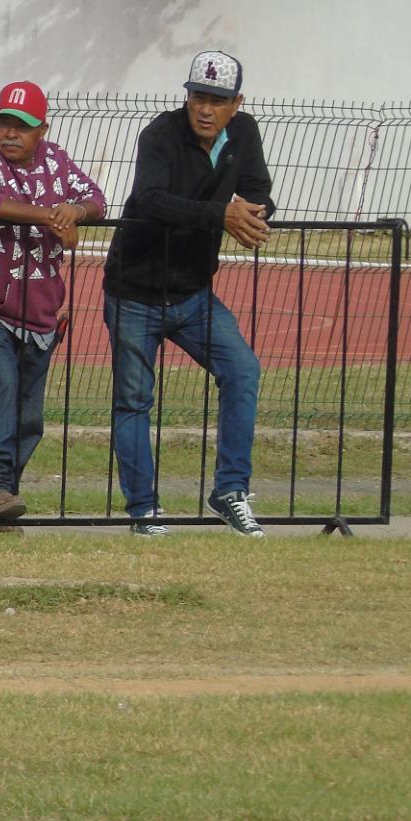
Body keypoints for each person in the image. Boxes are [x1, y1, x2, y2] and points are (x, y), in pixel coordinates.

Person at [103, 50, 273, 538]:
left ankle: (231, 490)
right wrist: (221, 215)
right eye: (198, 96)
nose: (205, 109)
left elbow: (259, 187)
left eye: (218, 100)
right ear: (187, 96)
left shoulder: (244, 134)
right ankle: (144, 510)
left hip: (195, 293)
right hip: (134, 292)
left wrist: (256, 217)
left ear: (236, 104)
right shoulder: (159, 134)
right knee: (134, 401)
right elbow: (152, 200)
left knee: (242, 369)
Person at [0, 81, 105, 526]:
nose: (10, 133)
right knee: (1, 384)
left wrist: (76, 212)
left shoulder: (56, 161)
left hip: (40, 311)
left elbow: (96, 199)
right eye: (4, 123)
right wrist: (51, 215)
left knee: (29, 413)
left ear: (43, 130)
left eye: (23, 126)